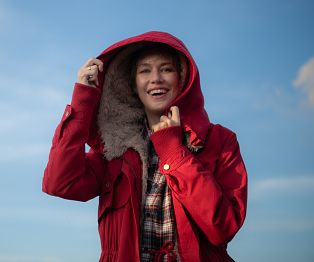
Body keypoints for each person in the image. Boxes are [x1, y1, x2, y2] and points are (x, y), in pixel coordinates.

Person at [42, 31, 247, 262]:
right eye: (145, 70)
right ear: (131, 84)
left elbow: (223, 228)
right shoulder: (115, 147)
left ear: (183, 76)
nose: (156, 78)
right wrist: (82, 102)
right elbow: (60, 183)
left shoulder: (220, 141)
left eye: (166, 69)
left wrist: (172, 151)